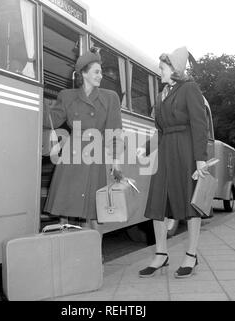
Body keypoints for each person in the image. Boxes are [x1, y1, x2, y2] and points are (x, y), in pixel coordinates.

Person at [137, 47, 209, 278]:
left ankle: (191, 254)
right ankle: (161, 254)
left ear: (174, 69)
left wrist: (200, 160)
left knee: (191, 202)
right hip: (166, 152)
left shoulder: (190, 88)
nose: (159, 71)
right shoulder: (161, 95)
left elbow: (200, 125)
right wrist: (145, 149)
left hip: (186, 152)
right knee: (158, 203)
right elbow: (160, 130)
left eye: (162, 68)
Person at [44, 48, 123, 231]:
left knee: (93, 214)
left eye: (101, 72)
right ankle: (66, 251)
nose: (101, 76)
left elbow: (114, 133)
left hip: (94, 156)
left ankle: (93, 255)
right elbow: (52, 120)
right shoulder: (67, 96)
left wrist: (116, 163)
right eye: (96, 71)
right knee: (64, 210)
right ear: (84, 73)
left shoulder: (110, 98)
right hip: (71, 156)